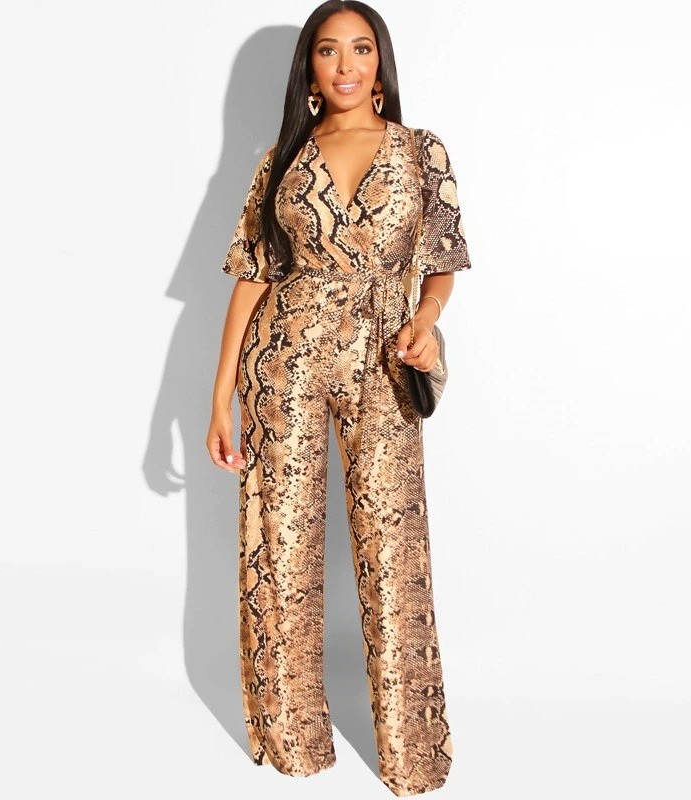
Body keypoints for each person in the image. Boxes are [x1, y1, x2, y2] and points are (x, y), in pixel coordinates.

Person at [207, 1, 471, 795]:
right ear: (310, 68)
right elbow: (252, 276)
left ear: (380, 62)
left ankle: (412, 754)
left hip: (384, 359)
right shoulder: (281, 158)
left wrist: (425, 321)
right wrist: (219, 397)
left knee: (394, 551)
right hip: (284, 359)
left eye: (361, 48)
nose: (346, 65)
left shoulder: (421, 152)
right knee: (279, 543)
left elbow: (441, 262)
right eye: (329, 51)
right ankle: (293, 743)